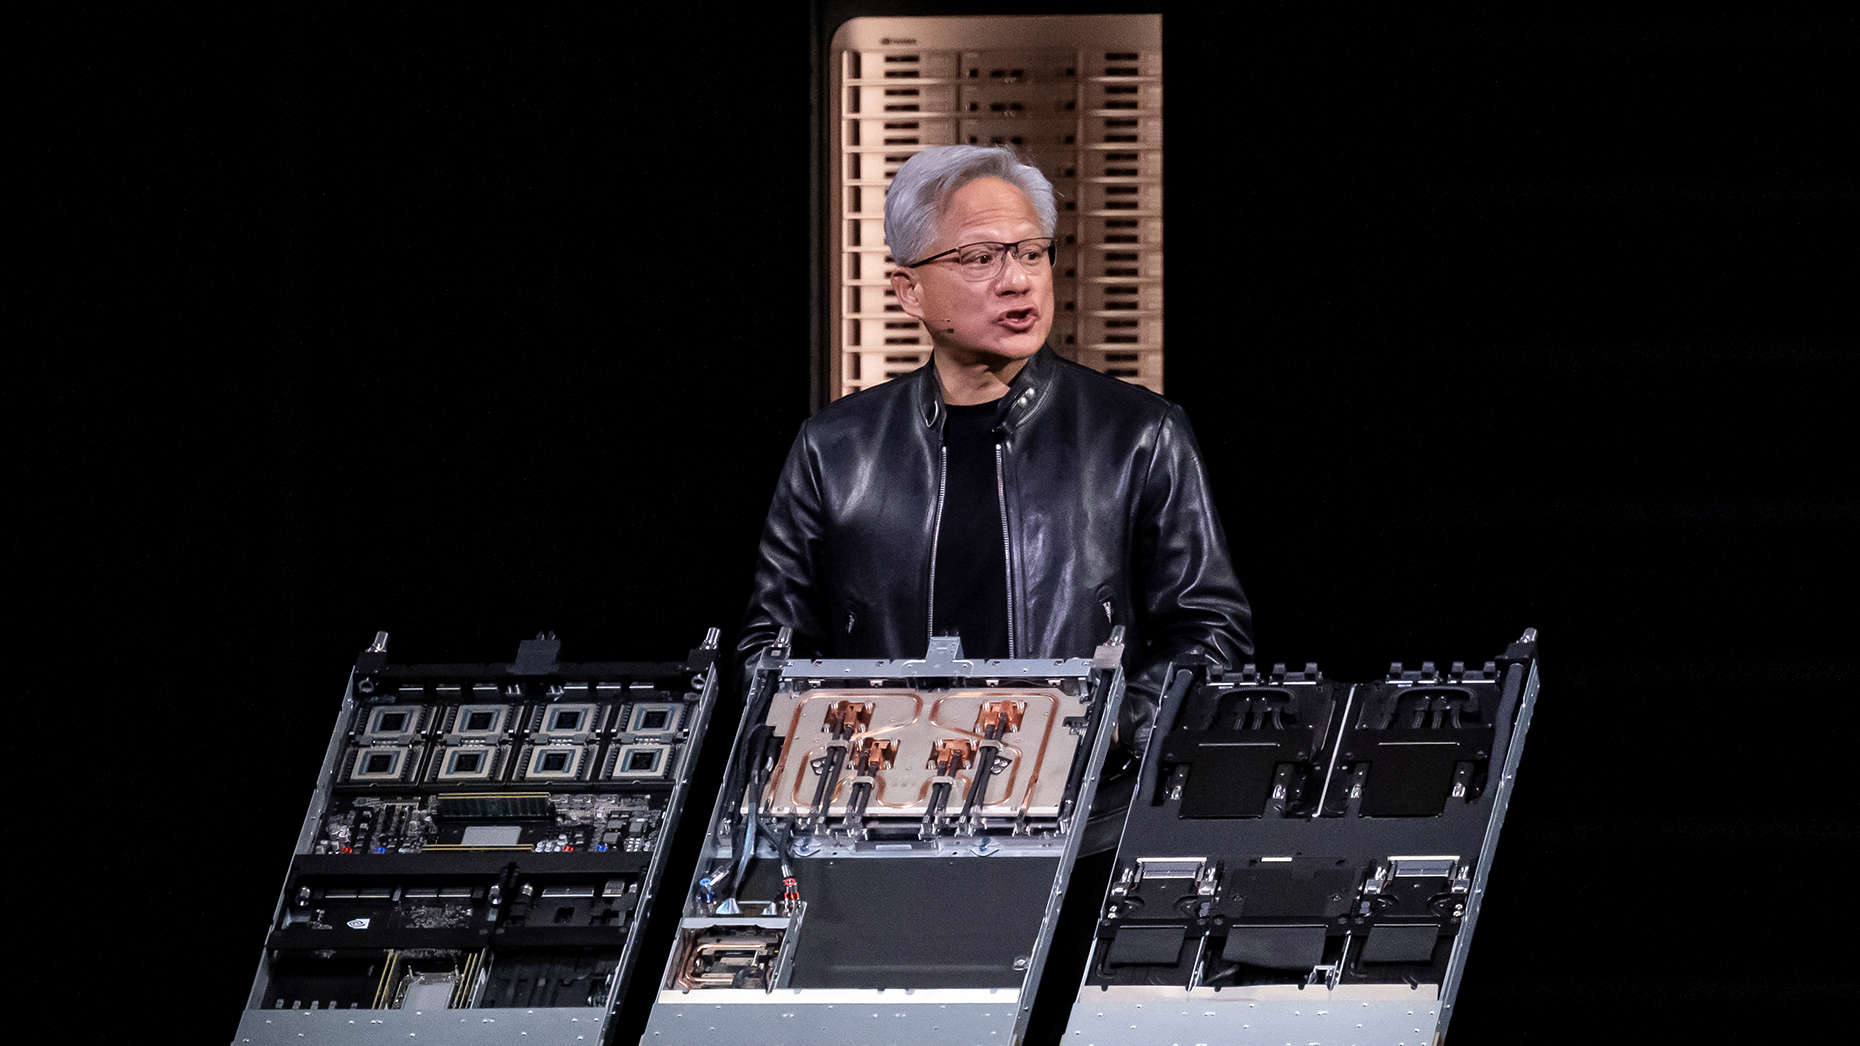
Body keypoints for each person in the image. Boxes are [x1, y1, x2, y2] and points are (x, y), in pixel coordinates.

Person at [738, 144, 1250, 750]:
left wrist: (1105, 732)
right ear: (910, 291)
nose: (1017, 280)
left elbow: (1210, 631)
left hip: (1087, 819)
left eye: (1031, 253)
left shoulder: (1138, 433)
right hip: (884, 816)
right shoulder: (835, 449)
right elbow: (770, 652)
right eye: (980, 258)